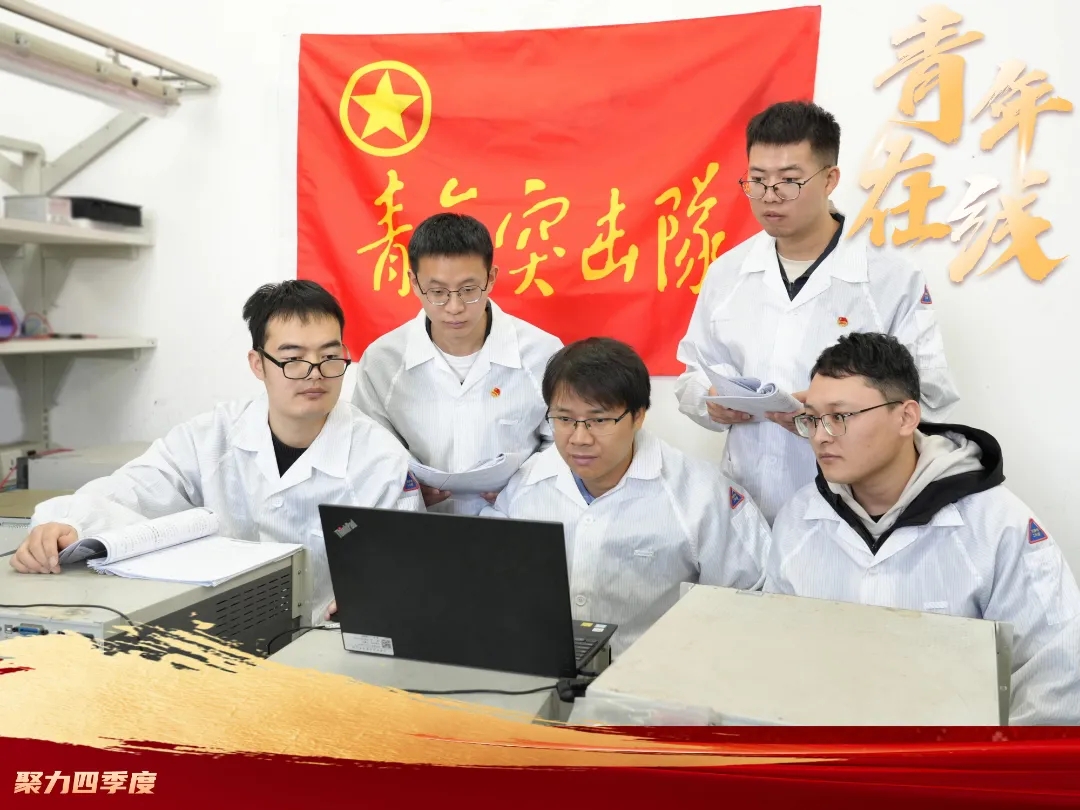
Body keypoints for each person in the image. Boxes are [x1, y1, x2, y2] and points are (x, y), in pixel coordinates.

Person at [9, 280, 423, 625]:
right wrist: (67, 522)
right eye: (293, 359)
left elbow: (409, 565)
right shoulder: (212, 436)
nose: (315, 374)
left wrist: (378, 598)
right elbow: (132, 488)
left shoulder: (380, 458)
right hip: (216, 631)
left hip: (326, 640)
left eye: (330, 357)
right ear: (258, 364)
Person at [765, 332, 1080, 725]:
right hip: (825, 754)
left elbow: (1058, 670)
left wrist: (985, 759)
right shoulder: (798, 520)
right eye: (811, 418)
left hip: (954, 760)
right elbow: (775, 657)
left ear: (906, 417)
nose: (820, 436)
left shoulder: (998, 525)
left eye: (839, 417)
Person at [675, 100, 960, 523]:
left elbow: (929, 396)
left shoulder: (889, 278)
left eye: (789, 181)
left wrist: (838, 409)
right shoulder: (727, 273)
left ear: (830, 179)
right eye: (757, 180)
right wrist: (710, 402)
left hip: (851, 509)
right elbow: (692, 375)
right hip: (745, 504)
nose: (770, 196)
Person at [483, 337, 772, 658]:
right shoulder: (526, 484)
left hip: (658, 676)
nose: (580, 438)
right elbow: (493, 584)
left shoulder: (702, 495)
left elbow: (747, 604)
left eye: (599, 420)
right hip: (541, 667)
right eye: (564, 419)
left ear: (638, 416)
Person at [353, 212, 562, 515]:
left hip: (516, 520)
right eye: (437, 292)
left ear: (491, 278)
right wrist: (403, 487)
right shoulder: (382, 361)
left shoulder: (542, 353)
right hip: (416, 524)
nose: (454, 307)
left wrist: (522, 485)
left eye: (468, 290)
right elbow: (367, 449)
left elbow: (563, 441)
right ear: (414, 283)